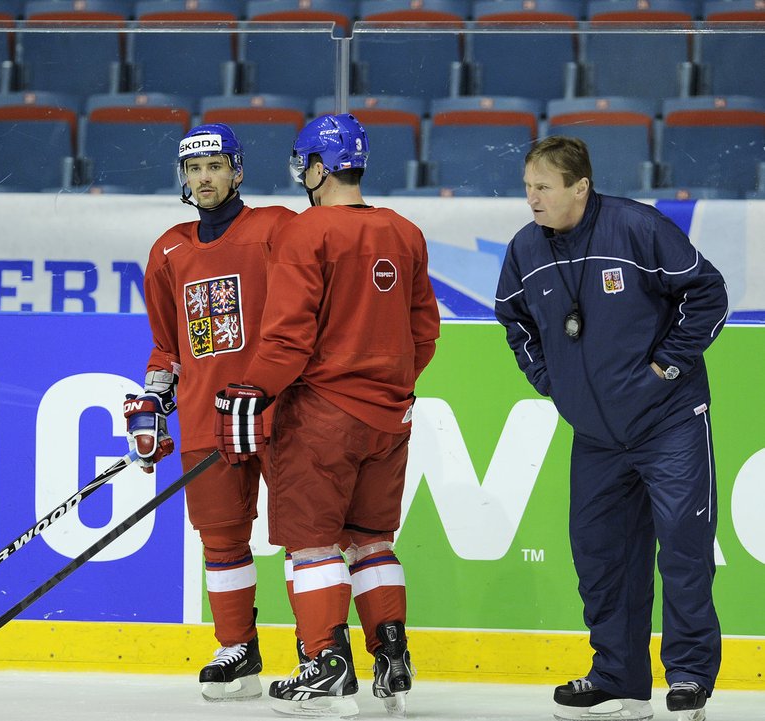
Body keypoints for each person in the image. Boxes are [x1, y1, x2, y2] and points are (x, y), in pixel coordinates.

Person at [212, 113, 441, 718]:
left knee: (312, 546)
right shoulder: (405, 231)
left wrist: (249, 391)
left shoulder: (306, 232)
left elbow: (286, 339)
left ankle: (326, 665)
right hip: (389, 418)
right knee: (371, 541)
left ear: (317, 167)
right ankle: (391, 656)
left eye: (304, 163)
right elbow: (425, 333)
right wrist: (387, 386)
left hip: (320, 417)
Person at [494, 136, 727, 721]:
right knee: (600, 555)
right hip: (596, 435)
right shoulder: (525, 250)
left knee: (682, 546)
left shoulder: (638, 229)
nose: (532, 199)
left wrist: (665, 365)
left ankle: (691, 676)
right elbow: (514, 320)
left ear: (581, 186)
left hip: (668, 420)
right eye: (527, 187)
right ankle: (618, 676)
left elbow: (707, 294)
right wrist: (550, 380)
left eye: (543, 187)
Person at [123, 123, 296, 702]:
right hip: (204, 417)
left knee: (307, 534)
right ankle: (237, 650)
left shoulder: (277, 228)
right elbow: (167, 346)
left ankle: (319, 650)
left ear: (238, 171)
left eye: (215, 167)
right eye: (194, 169)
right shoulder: (168, 248)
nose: (204, 178)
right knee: (220, 538)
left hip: (277, 411)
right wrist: (153, 401)